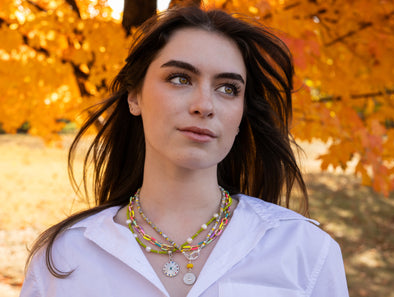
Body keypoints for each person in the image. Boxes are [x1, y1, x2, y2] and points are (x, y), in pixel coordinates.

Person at [20, 6, 349, 297]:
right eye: (180, 78)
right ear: (134, 96)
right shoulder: (63, 256)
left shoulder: (304, 250)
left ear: (241, 113)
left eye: (227, 88)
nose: (204, 105)